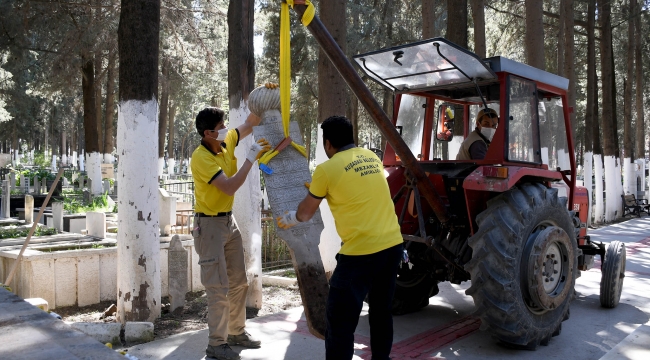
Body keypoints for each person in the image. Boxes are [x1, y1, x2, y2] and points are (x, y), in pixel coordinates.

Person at [277, 116, 404, 360]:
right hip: (392, 246)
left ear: (327, 144)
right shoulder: (372, 158)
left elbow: (305, 212)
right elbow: (357, 189)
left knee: (339, 322)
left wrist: (293, 216)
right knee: (381, 312)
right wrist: (321, 187)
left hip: (360, 254)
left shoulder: (327, 169)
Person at [191, 106, 270, 360]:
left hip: (228, 222)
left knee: (239, 282)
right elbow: (228, 187)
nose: (226, 128)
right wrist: (251, 159)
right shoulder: (201, 158)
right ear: (208, 133)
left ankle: (236, 332)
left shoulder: (225, 142)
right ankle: (216, 343)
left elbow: (250, 122)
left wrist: (264, 97)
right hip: (209, 227)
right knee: (218, 287)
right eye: (221, 126)